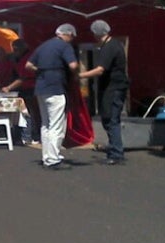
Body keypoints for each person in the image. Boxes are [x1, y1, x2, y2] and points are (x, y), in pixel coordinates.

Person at [25, 23, 78, 170]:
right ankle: (53, 159)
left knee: (45, 124)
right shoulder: (65, 46)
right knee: (56, 125)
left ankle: (47, 156)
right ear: (67, 34)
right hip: (56, 87)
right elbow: (73, 65)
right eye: (72, 37)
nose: (72, 40)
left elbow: (28, 65)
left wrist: (41, 71)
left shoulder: (43, 46)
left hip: (41, 88)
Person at [79, 20, 129, 165]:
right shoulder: (113, 45)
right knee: (108, 118)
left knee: (111, 119)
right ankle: (114, 147)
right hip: (112, 87)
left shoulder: (109, 47)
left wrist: (81, 75)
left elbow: (100, 69)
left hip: (114, 87)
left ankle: (116, 153)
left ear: (97, 33)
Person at [2, 39, 40, 145]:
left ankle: (31, 136)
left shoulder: (28, 58)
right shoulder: (18, 58)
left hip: (31, 88)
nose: (14, 51)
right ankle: (26, 135)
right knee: (26, 112)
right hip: (23, 89)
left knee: (30, 112)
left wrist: (9, 87)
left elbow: (23, 77)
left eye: (16, 49)